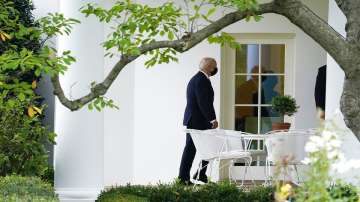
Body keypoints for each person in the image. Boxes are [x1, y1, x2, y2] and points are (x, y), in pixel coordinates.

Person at [178, 57, 218, 185]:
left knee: (207, 147)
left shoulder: (198, 78)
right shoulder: (201, 80)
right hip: (197, 121)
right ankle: (184, 178)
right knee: (192, 149)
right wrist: (212, 119)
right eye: (215, 66)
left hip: (196, 120)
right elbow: (204, 103)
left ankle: (199, 174)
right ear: (210, 67)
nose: (216, 69)